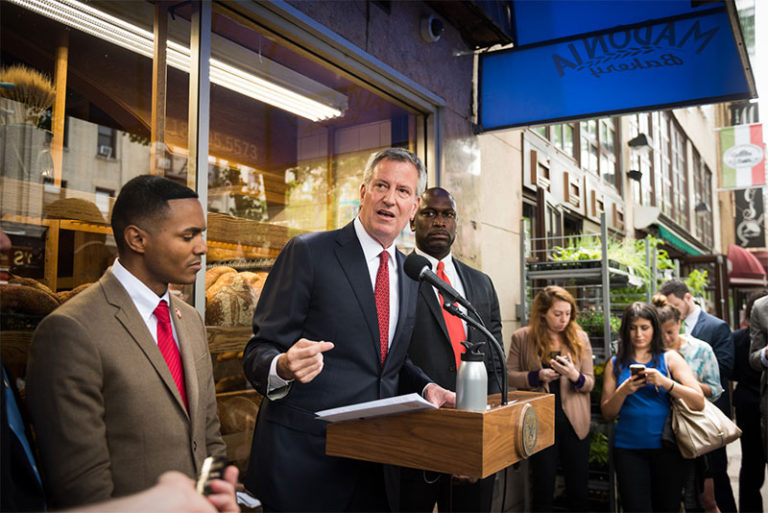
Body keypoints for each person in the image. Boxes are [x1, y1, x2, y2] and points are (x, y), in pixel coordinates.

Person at [242, 148, 455, 512]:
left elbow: (389, 363)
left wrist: (426, 387)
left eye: (403, 191)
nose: (390, 198)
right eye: (381, 186)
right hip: (305, 467)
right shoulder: (308, 252)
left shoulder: (410, 273)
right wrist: (283, 366)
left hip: (376, 468)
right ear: (363, 192)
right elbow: (258, 351)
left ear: (414, 207)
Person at [25, 175, 238, 511]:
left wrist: (216, 498)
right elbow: (83, 488)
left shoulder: (190, 320)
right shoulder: (71, 330)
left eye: (201, 234)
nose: (202, 247)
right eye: (188, 236)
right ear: (137, 239)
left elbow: (209, 434)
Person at [399, 187, 502, 513]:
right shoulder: (398, 276)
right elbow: (391, 356)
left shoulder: (481, 283)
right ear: (412, 220)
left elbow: (495, 361)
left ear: (456, 222)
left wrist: (486, 434)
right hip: (417, 438)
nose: (439, 221)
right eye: (430, 213)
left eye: (448, 215)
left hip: (475, 439)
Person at [601, 302, 705, 513]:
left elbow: (698, 401)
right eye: (632, 328)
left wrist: (666, 383)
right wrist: (623, 391)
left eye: (644, 327)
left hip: (667, 448)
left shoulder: (669, 358)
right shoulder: (615, 363)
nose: (638, 334)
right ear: (625, 330)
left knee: (667, 507)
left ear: (654, 329)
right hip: (628, 449)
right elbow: (607, 413)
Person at [507, 286, 593, 512]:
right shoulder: (522, 337)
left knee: (578, 489)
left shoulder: (580, 338)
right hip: (539, 422)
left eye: (568, 314)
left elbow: (590, 383)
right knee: (543, 488)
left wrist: (574, 375)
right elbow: (509, 375)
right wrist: (536, 376)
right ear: (543, 313)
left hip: (574, 424)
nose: (564, 319)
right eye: (558, 314)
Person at [659, 278, 736, 513]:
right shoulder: (654, 343)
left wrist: (683, 382)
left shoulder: (714, 329)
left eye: (674, 305)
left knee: (713, 486)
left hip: (701, 421)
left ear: (687, 298)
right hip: (667, 427)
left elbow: (723, 372)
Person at [736, 290, 768, 513]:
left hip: (749, 402)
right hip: (756, 408)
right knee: (752, 469)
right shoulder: (761, 308)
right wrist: (765, 354)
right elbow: (754, 357)